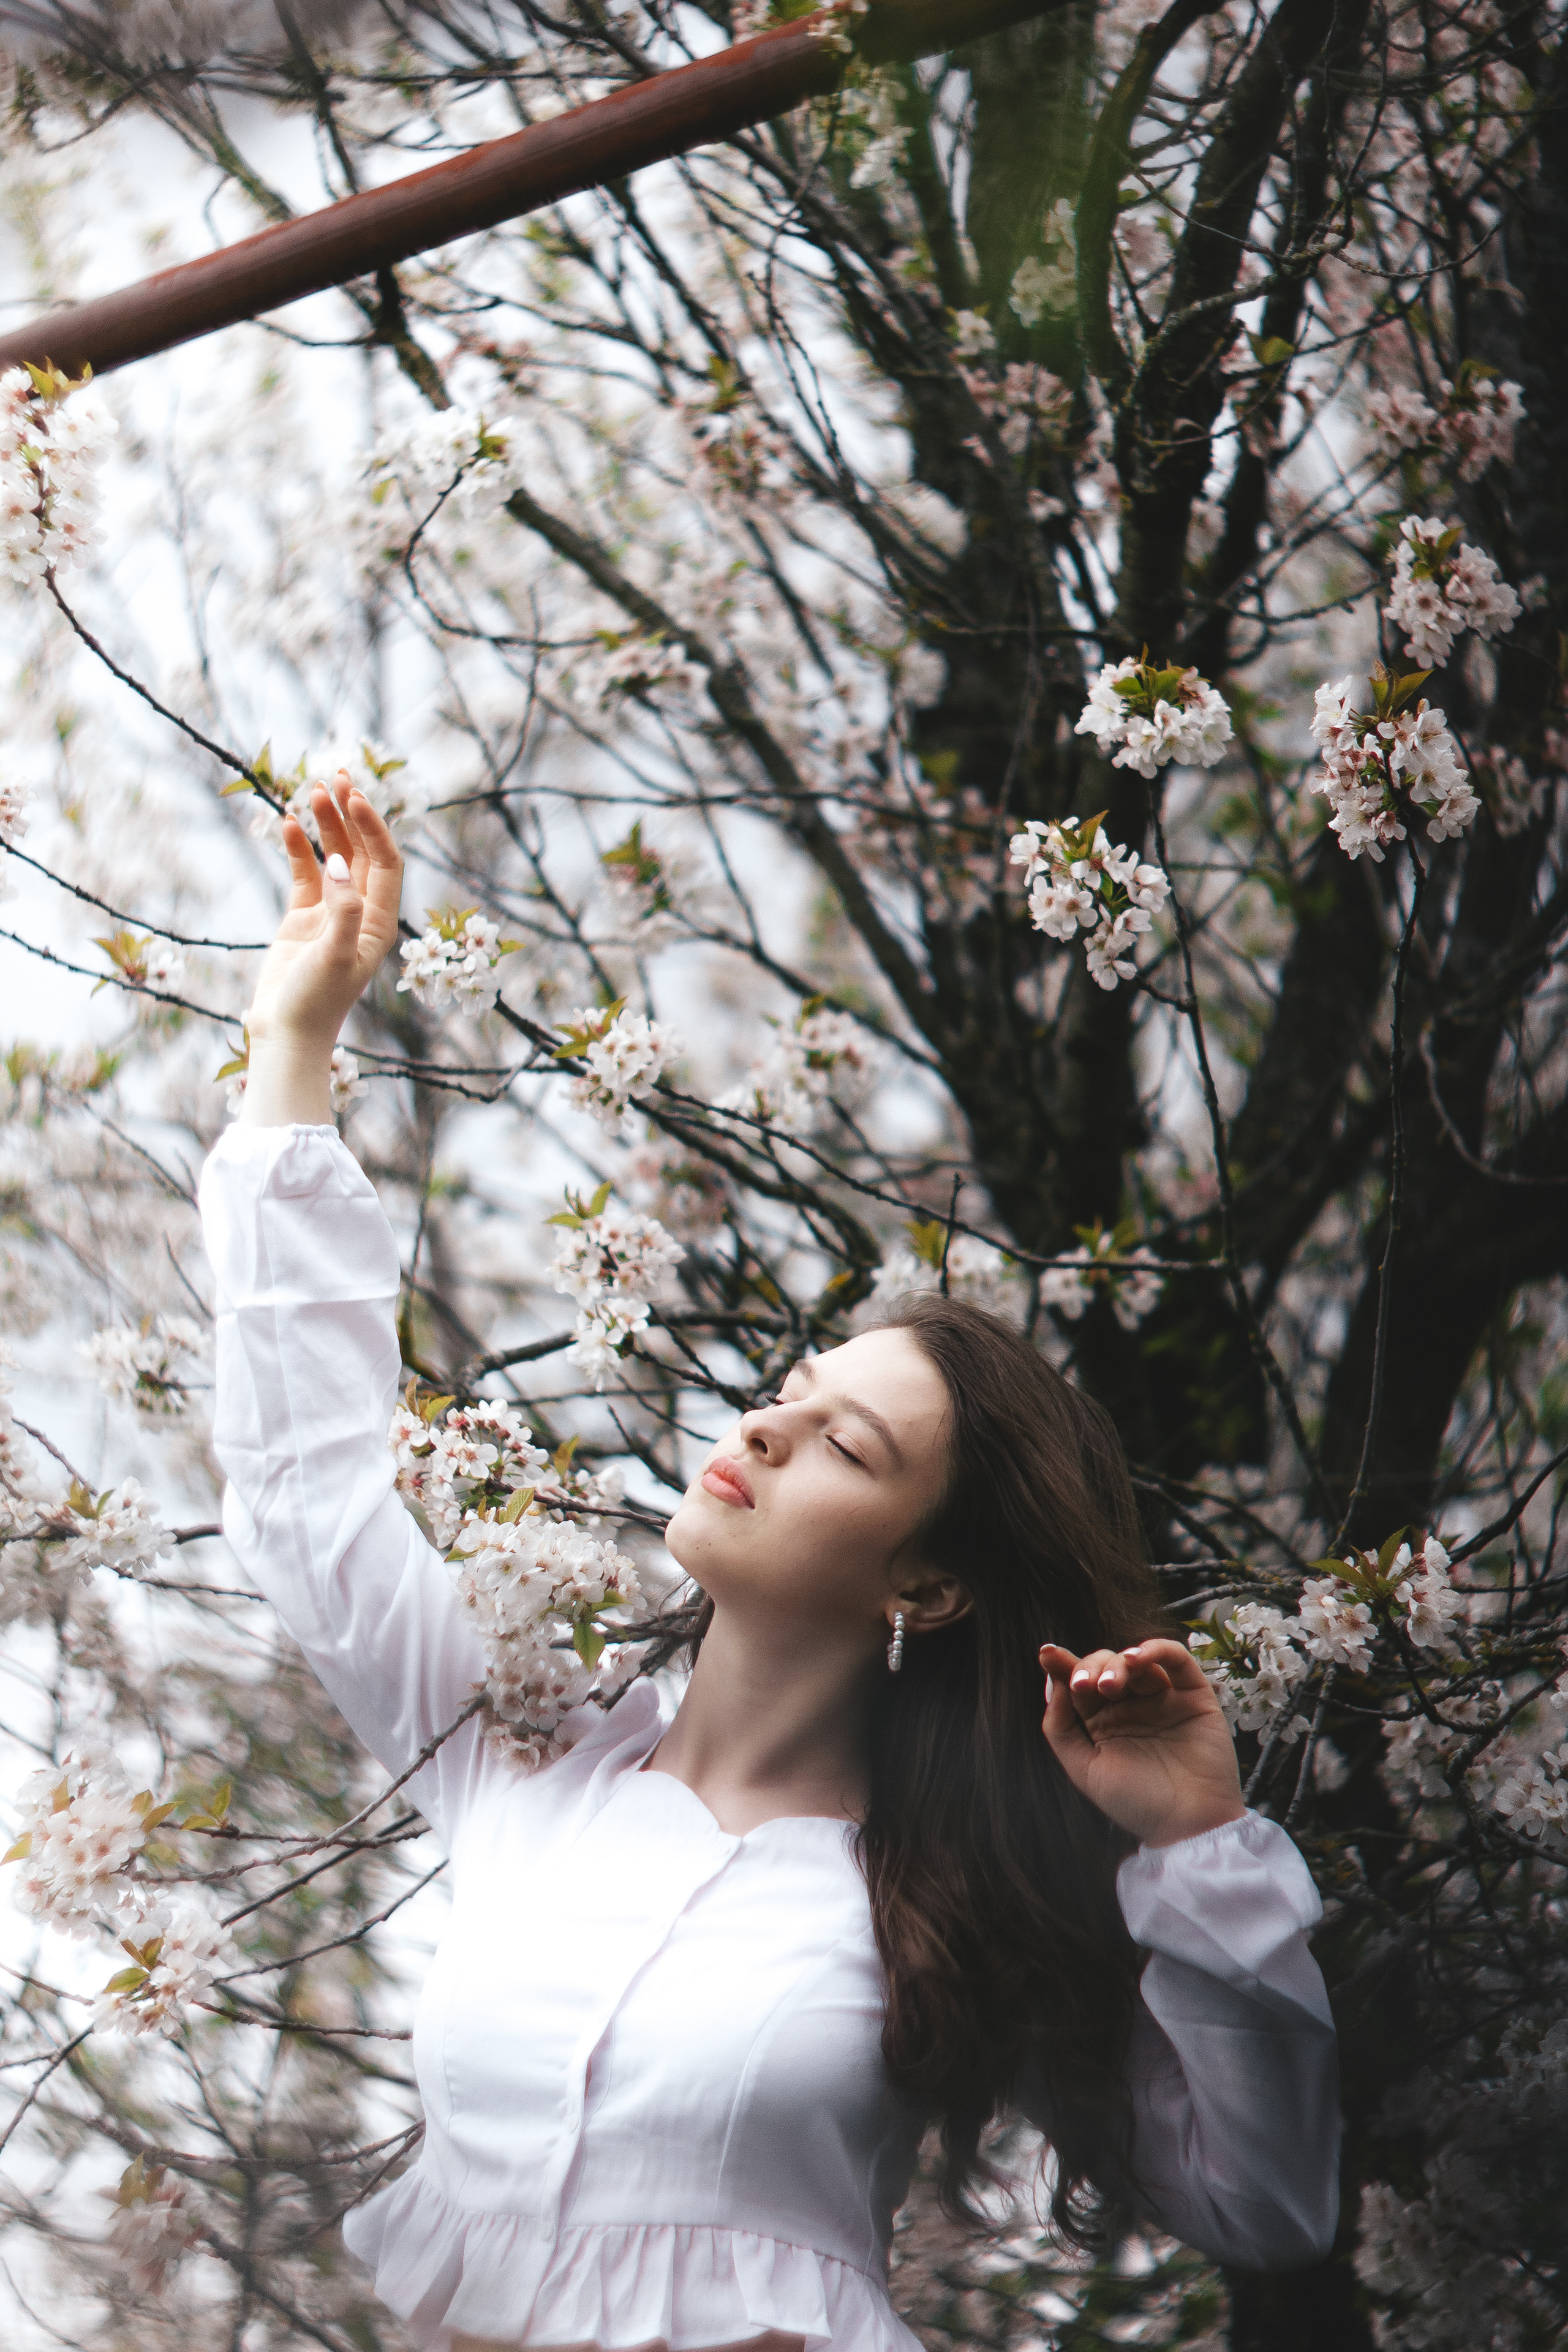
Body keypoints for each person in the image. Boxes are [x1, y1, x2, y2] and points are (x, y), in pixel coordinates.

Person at [198, 777, 1340, 2352]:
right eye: (791, 1391)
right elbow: (304, 1491)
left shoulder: (959, 1898)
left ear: (926, 1586)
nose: (767, 1426)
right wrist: (292, 1048)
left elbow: (1266, 2204)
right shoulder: (521, 1752)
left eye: (845, 1446)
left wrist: (1199, 1847)